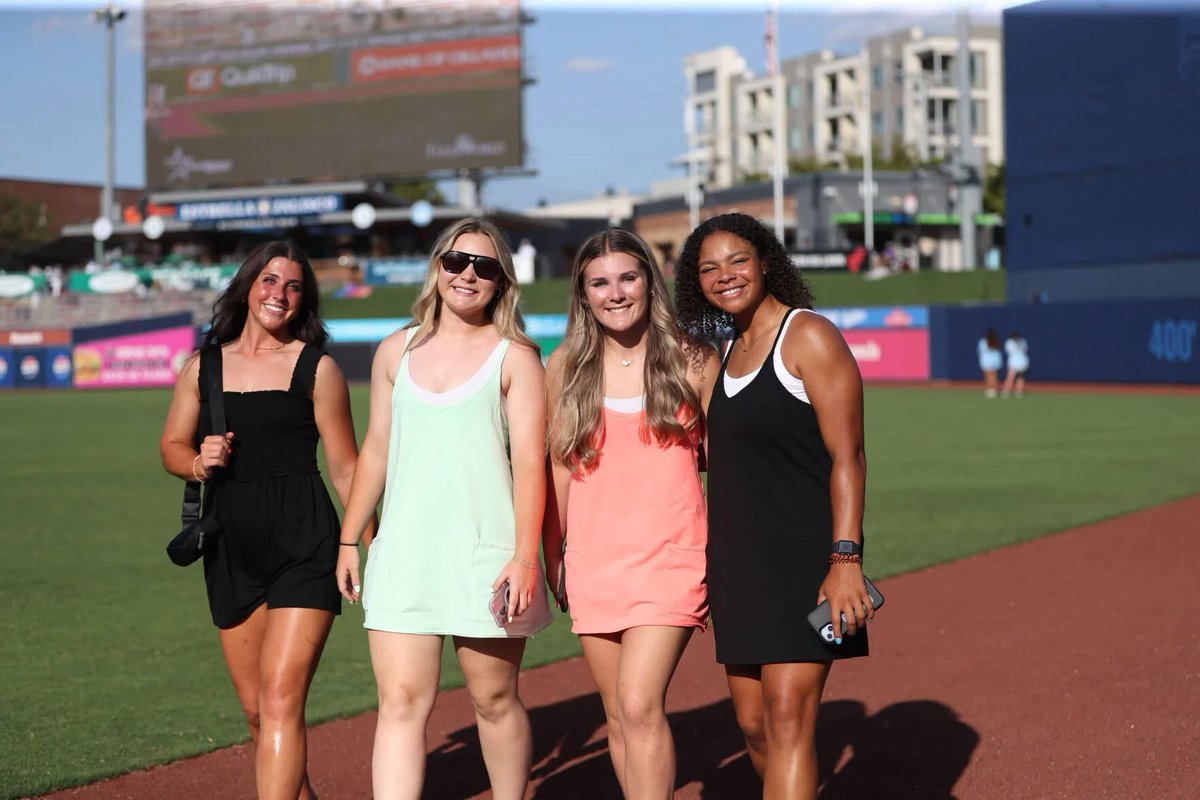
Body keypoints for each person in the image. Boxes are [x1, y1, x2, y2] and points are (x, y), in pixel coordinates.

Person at [335, 218, 552, 800]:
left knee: (494, 699)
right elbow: (374, 451)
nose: (467, 275)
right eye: (457, 261)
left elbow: (532, 463)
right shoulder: (393, 352)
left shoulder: (516, 359)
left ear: (501, 281)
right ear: (438, 266)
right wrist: (348, 538)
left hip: (488, 557)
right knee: (400, 703)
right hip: (404, 554)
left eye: (484, 267)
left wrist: (524, 558)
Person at [674, 213, 875, 800]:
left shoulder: (807, 335)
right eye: (708, 268)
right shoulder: (725, 352)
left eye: (738, 260)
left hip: (808, 566)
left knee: (789, 719)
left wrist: (845, 559)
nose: (725, 276)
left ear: (765, 261)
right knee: (755, 728)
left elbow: (850, 457)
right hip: (738, 569)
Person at [159, 241, 367, 800]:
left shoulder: (317, 369)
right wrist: (199, 463)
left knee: (280, 700)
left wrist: (370, 544)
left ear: (305, 300)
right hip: (230, 545)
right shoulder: (202, 368)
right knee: (256, 712)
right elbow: (172, 448)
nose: (281, 294)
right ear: (249, 286)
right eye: (270, 281)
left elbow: (346, 470)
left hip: (305, 542)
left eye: (294, 286)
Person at [543, 228, 719, 798]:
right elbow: (560, 469)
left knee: (641, 705)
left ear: (649, 281)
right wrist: (553, 554)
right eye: (599, 282)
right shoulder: (566, 364)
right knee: (618, 713)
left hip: (671, 557)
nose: (615, 293)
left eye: (627, 277)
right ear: (583, 293)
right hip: (593, 562)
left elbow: (729, 468)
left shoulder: (694, 360)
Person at [1002, 330, 1029, 398]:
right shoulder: (1009, 342)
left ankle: (1019, 391)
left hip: (1022, 362)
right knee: (1010, 377)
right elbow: (1008, 351)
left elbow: (1025, 350)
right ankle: (1006, 390)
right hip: (1013, 363)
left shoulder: (1022, 342)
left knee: (1020, 378)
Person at [978, 328, 1003, 398]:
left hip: (986, 360)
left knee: (987, 376)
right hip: (995, 360)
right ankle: (994, 390)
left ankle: (990, 389)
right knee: (994, 376)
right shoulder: (996, 341)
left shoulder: (983, 342)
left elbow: (980, 350)